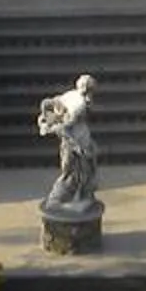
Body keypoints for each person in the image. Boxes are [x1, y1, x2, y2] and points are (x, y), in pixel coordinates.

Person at [36, 73, 99, 207]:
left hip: (80, 137)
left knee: (84, 169)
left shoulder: (72, 95)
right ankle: (60, 198)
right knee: (74, 172)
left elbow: (54, 102)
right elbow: (66, 123)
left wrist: (49, 118)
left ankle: (82, 195)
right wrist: (52, 123)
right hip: (76, 140)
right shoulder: (79, 104)